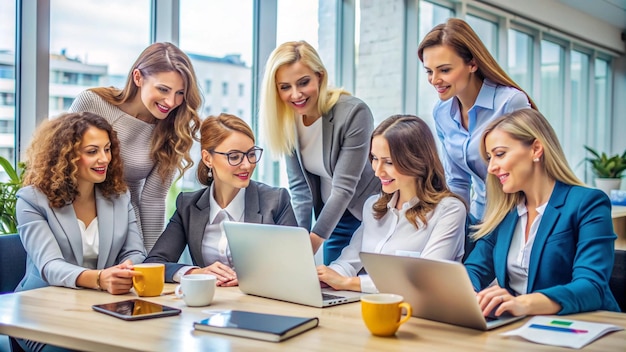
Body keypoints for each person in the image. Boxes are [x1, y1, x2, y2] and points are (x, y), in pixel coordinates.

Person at [465, 108, 620, 317]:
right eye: (489, 157)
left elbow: (591, 287)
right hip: (521, 328)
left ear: (536, 149)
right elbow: (474, 268)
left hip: (585, 326)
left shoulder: (588, 203)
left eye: (500, 154)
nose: (491, 167)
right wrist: (471, 295)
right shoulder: (505, 212)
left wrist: (522, 304)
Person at [15, 112, 147, 352]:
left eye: (107, 149)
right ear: (65, 156)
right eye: (92, 151)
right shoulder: (32, 200)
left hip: (102, 307)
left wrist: (124, 270)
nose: (104, 159)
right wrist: (99, 279)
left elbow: (136, 251)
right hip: (42, 311)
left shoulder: (119, 196)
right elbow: (50, 266)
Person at [69, 42, 202, 251]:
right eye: (163, 89)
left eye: (180, 93)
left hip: (126, 230)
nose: (171, 101)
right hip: (77, 221)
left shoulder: (173, 129)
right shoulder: (91, 102)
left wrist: (152, 262)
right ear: (138, 77)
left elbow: (153, 200)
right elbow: (61, 165)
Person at [259, 40, 380, 265]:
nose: (296, 95)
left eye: (303, 82)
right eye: (285, 87)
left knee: (358, 287)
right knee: (333, 285)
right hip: (334, 218)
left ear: (320, 77)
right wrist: (299, 241)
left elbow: (344, 188)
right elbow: (300, 190)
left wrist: (309, 245)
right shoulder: (288, 121)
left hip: (367, 215)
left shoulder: (353, 112)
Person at [317, 115, 466, 293]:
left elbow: (424, 279)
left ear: (416, 160)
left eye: (388, 162)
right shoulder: (373, 207)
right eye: (374, 158)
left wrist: (348, 283)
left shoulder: (449, 210)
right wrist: (325, 276)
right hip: (374, 307)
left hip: (420, 314)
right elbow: (349, 261)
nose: (378, 171)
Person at [144, 113, 298, 286]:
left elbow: (296, 267)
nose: (247, 165)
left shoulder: (276, 201)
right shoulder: (188, 207)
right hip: (210, 306)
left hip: (261, 305)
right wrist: (196, 273)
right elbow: (153, 263)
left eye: (251, 154)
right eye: (234, 157)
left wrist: (254, 277)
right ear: (208, 158)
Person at [417, 18, 536, 223]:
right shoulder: (441, 113)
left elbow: (533, 170)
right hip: (480, 218)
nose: (435, 80)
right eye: (429, 71)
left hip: (518, 216)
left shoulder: (509, 102)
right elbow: (457, 181)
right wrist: (455, 228)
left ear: (472, 63)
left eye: (444, 70)